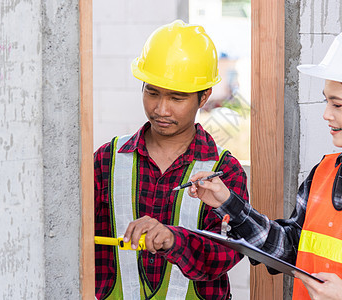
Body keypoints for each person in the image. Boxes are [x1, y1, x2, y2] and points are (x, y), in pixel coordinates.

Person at [188, 25, 342, 299]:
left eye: (337, 105)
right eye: (327, 102)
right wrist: (227, 201)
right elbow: (289, 248)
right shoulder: (324, 173)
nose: (326, 114)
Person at [94, 20, 248, 300]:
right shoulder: (107, 160)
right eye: (152, 92)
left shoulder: (224, 171)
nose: (161, 109)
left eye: (177, 98)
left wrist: (174, 240)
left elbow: (228, 251)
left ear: (204, 97)